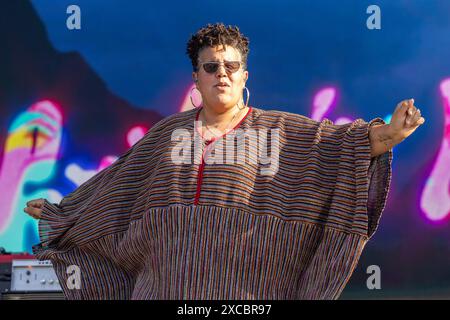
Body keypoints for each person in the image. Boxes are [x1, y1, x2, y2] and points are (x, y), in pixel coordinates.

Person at [24, 23, 424, 300]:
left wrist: (386, 135)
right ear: (196, 78)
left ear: (245, 75)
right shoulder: (166, 135)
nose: (222, 74)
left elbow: (336, 146)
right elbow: (117, 187)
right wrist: (63, 214)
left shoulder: (278, 130)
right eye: (211, 67)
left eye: (231, 66)